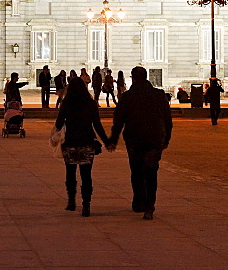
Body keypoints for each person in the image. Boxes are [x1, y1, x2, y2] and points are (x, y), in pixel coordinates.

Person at [108, 66, 173, 221]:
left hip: (134, 139)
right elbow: (168, 120)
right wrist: (166, 139)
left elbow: (118, 121)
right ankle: (149, 206)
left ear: (133, 78)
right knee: (151, 172)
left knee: (136, 171)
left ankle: (139, 202)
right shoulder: (159, 95)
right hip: (154, 139)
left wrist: (113, 140)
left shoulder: (127, 97)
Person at [54, 76, 111, 217]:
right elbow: (97, 125)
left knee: (70, 172)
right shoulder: (90, 103)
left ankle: (71, 201)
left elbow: (59, 123)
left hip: (71, 142)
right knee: (86, 175)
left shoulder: (66, 102)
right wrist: (107, 141)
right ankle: (86, 205)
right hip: (87, 142)